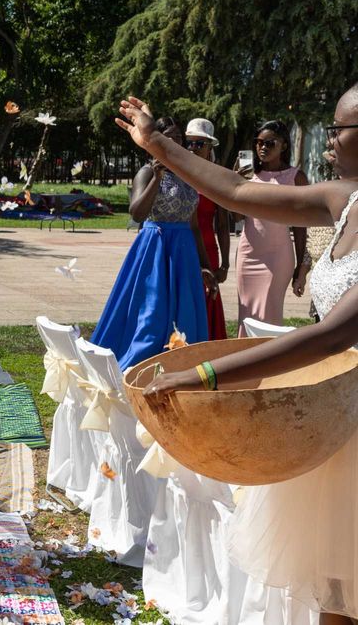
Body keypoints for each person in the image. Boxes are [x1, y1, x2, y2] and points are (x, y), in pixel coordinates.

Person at [119, 85, 358, 625]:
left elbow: (329, 337)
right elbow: (234, 190)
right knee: (337, 595)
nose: (330, 142)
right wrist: (158, 143)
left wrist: (202, 376)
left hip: (350, 412)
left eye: (340, 130)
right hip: (339, 416)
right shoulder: (345, 200)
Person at [91, 117, 217, 370]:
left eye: (179, 140)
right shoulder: (146, 172)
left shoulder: (189, 173)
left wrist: (205, 266)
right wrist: (157, 177)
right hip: (155, 250)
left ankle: (180, 370)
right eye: (167, 139)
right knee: (151, 318)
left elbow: (193, 225)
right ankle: (137, 369)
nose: (174, 145)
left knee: (184, 318)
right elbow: (137, 213)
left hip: (184, 254)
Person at [235, 120, 308, 336]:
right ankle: (244, 364)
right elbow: (238, 216)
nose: (262, 147)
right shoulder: (247, 176)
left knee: (270, 314)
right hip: (248, 256)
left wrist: (301, 267)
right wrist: (237, 184)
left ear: (284, 145)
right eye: (258, 142)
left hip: (278, 258)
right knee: (245, 315)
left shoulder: (296, 177)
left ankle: (271, 365)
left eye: (269, 143)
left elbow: (301, 227)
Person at [186, 117, 230, 340]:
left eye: (199, 143)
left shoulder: (217, 177)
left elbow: (222, 224)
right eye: (190, 143)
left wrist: (225, 263)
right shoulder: (179, 172)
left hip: (207, 249)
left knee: (206, 301)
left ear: (210, 146)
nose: (193, 148)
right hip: (182, 246)